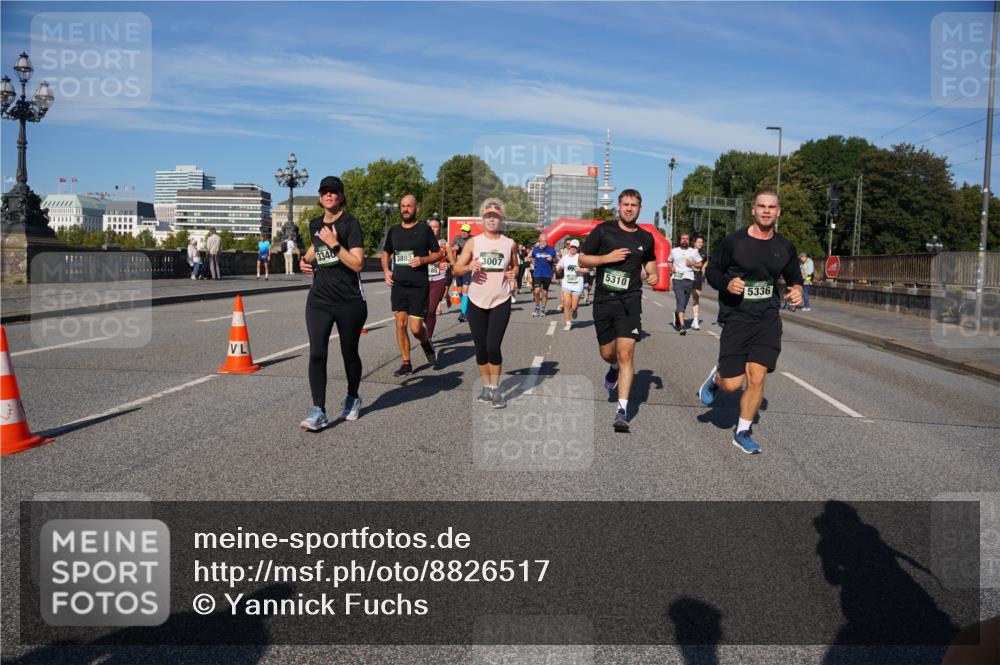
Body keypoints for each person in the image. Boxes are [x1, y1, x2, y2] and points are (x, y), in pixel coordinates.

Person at [698, 191, 804, 454]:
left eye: (772, 207)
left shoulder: (785, 247)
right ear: (753, 210)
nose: (766, 211)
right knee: (732, 385)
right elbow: (711, 270)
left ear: (779, 212)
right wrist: (727, 283)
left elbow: (794, 277)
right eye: (762, 206)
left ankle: (742, 431)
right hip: (737, 316)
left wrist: (797, 290)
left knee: (757, 378)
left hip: (767, 318)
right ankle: (717, 376)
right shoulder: (734, 242)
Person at [579, 189, 657, 433]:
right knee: (607, 353)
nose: (629, 208)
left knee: (626, 354)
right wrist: (606, 258)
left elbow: (650, 260)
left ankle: (621, 410)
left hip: (630, 302)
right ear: (618, 206)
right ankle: (611, 368)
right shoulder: (603, 231)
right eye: (625, 204)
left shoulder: (646, 237)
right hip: (604, 300)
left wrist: (653, 273)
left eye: (634, 205)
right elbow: (583, 259)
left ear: (640, 208)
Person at [298, 176, 368, 431]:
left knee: (349, 353)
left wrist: (334, 244)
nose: (328, 195)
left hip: (349, 301)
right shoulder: (315, 224)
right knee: (317, 352)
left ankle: (352, 395)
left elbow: (358, 263)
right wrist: (304, 260)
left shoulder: (350, 224)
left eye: (333, 192)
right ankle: (318, 410)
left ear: (340, 196)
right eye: (324, 192)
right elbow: (315, 248)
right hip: (319, 300)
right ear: (320, 197)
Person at [452, 198, 518, 408]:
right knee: (480, 348)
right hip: (475, 300)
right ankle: (486, 386)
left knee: (493, 346)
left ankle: (496, 388)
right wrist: (469, 265)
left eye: (496, 216)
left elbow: (516, 266)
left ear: (501, 219)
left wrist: (513, 273)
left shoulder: (509, 244)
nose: (492, 219)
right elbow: (456, 269)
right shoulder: (474, 242)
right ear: (483, 219)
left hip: (501, 299)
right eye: (488, 216)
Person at [382, 194, 442, 376]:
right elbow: (386, 254)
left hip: (418, 285)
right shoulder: (393, 231)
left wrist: (423, 259)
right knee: (400, 324)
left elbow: (438, 254)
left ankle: (425, 342)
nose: (405, 209)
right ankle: (406, 362)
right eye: (402, 206)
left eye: (409, 206)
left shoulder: (424, 230)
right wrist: (386, 270)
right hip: (399, 284)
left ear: (417, 208)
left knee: (416, 328)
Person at [668, 233, 702, 335]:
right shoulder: (674, 251)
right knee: (681, 300)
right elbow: (669, 261)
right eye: (683, 239)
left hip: (689, 279)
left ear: (689, 241)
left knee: (684, 302)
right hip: (677, 278)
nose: (685, 240)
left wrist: (691, 264)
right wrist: (671, 268)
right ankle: (682, 326)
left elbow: (700, 264)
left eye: (687, 239)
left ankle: (677, 313)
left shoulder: (694, 251)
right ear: (679, 240)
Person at [426, 215, 451, 337]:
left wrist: (448, 264)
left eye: (436, 227)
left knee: (431, 310)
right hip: (422, 280)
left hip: (438, 280)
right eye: (431, 227)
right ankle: (424, 331)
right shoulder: (421, 243)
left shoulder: (445, 244)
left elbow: (454, 263)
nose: (433, 229)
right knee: (422, 312)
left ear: (440, 229)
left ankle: (428, 339)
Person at [556, 239, 587, 330]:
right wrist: (558, 268)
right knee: (566, 304)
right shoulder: (564, 258)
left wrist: (580, 270)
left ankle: (575, 310)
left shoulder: (580, 258)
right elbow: (558, 267)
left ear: (578, 248)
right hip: (566, 284)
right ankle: (568, 323)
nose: (573, 248)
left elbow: (588, 270)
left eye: (575, 247)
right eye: (572, 247)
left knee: (573, 306)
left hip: (577, 285)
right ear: (569, 247)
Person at [448, 223, 473, 323]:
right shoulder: (457, 238)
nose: (463, 233)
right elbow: (448, 249)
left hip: (467, 267)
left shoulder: (472, 241)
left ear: (469, 233)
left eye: (465, 231)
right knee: (459, 292)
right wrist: (453, 248)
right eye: (462, 230)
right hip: (458, 267)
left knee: (465, 290)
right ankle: (468, 307)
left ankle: (463, 313)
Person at [529, 233, 558, 316]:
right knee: (537, 291)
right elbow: (530, 257)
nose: (543, 242)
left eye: (545, 241)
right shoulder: (535, 249)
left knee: (545, 293)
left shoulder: (551, 250)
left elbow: (556, 260)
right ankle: (537, 307)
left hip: (547, 274)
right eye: (541, 241)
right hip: (537, 273)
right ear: (539, 241)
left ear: (547, 241)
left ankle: (543, 308)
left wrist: (552, 259)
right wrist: (533, 262)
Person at [690, 236, 706, 329]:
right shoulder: (690, 251)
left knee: (696, 297)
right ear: (695, 243)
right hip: (688, 276)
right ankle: (679, 314)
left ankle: (695, 320)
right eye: (698, 242)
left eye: (701, 242)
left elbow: (706, 261)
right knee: (684, 298)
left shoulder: (704, 253)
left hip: (698, 276)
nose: (700, 243)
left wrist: (703, 269)